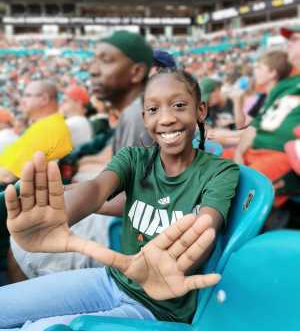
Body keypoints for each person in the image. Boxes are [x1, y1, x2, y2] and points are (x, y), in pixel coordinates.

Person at [0, 69, 239, 329]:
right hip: (111, 279)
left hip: (158, 308)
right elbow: (95, 190)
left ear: (200, 110)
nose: (166, 118)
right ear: (144, 118)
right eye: (153, 109)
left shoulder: (221, 172)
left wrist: (173, 262)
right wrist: (61, 216)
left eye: (179, 105)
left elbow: (206, 227)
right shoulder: (133, 158)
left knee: (35, 328)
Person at [8, 30, 154, 281]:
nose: (94, 70)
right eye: (94, 60)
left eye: (106, 60)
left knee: (22, 246)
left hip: (131, 239)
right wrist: (74, 193)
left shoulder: (140, 114)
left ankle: (35, 317)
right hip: (125, 226)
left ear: (137, 72)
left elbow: (142, 201)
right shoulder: (133, 112)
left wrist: (71, 208)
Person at [223, 50, 300, 215]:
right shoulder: (283, 86)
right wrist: (239, 153)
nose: (254, 71)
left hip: (281, 154)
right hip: (254, 149)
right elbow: (253, 126)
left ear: (272, 72)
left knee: (243, 188)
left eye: (259, 67)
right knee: (213, 163)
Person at [0, 80, 72, 185]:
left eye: (28, 96)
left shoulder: (48, 128)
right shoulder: (44, 125)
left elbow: (7, 175)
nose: (22, 100)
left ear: (44, 99)